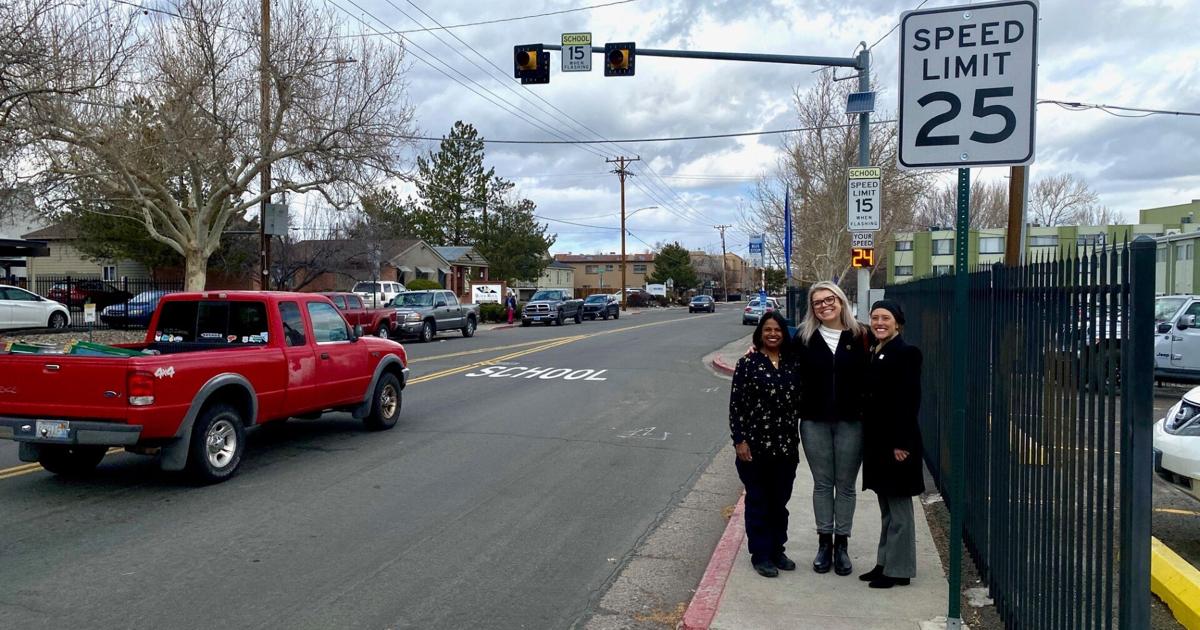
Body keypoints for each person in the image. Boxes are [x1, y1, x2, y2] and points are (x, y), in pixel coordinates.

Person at [794, 280, 869, 576]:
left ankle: (842, 546)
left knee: (846, 486)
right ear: (812, 308)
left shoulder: (861, 335)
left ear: (840, 302)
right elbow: (775, 354)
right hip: (814, 421)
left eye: (829, 300)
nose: (824, 306)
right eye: (818, 302)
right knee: (823, 484)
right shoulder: (803, 337)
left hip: (852, 422)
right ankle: (825, 542)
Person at [729, 311, 802, 578]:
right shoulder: (747, 363)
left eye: (778, 330)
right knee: (758, 501)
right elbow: (736, 406)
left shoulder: (792, 363)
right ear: (760, 333)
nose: (773, 334)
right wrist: (740, 441)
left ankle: (776, 550)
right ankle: (760, 554)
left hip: (785, 447)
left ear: (784, 333)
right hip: (755, 448)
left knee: (779, 502)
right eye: (767, 330)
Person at [859, 299, 924, 589]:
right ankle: (885, 562)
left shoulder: (907, 353)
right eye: (875, 318)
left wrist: (902, 443)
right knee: (887, 507)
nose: (879, 323)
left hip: (898, 444)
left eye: (885, 318)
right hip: (878, 443)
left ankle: (900, 569)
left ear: (897, 323)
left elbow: (908, 401)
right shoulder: (876, 351)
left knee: (899, 509)